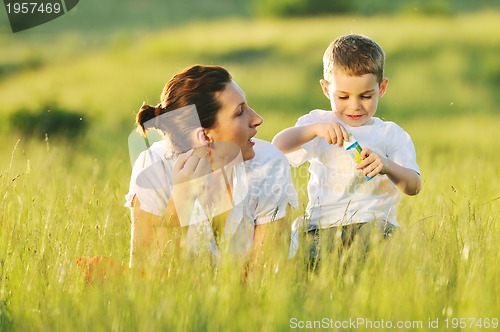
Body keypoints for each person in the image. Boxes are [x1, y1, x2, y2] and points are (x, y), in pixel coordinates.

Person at [125, 65, 298, 270]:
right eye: (240, 112)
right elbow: (146, 274)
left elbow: (265, 275)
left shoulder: (269, 163)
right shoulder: (155, 168)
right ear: (205, 136)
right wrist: (181, 198)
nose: (257, 119)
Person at [272, 34, 421, 263]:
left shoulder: (390, 134)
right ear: (325, 89)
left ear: (382, 88)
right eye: (343, 96)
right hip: (322, 226)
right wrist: (313, 130)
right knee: (306, 262)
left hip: (374, 224)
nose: (354, 106)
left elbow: (413, 185)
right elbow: (278, 146)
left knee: (383, 252)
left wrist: (387, 166)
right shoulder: (319, 124)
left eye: (365, 96)